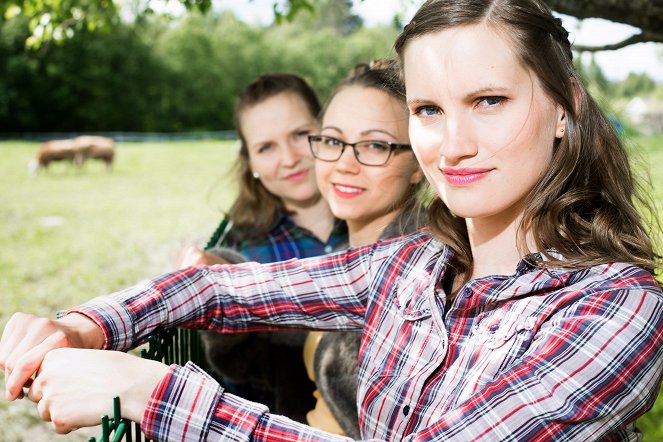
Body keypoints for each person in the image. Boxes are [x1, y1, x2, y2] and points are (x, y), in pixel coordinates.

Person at [2, 0, 663, 440]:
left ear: (563, 107)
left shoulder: (616, 311)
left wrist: (156, 397)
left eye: (488, 100)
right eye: (428, 110)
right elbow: (220, 288)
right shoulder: (412, 266)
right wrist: (82, 324)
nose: (451, 143)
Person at [175, 72, 349, 422]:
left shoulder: (376, 218)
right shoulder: (242, 248)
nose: (289, 158)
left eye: (301, 135)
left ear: (327, 131)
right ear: (251, 164)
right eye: (266, 147)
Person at [303, 59, 425, 438]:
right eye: (333, 140)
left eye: (374, 145)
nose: (344, 163)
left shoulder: (420, 278)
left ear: (419, 162)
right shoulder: (344, 251)